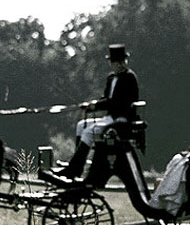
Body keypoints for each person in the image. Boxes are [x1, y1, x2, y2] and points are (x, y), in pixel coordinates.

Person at [53, 43, 140, 179]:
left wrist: (95, 105)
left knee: (89, 132)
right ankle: (76, 166)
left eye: (119, 62)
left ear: (123, 62)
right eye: (115, 62)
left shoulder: (129, 78)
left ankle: (74, 169)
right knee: (81, 125)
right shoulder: (111, 78)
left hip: (121, 118)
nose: (117, 65)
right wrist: (91, 105)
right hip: (111, 116)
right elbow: (106, 98)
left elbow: (118, 102)